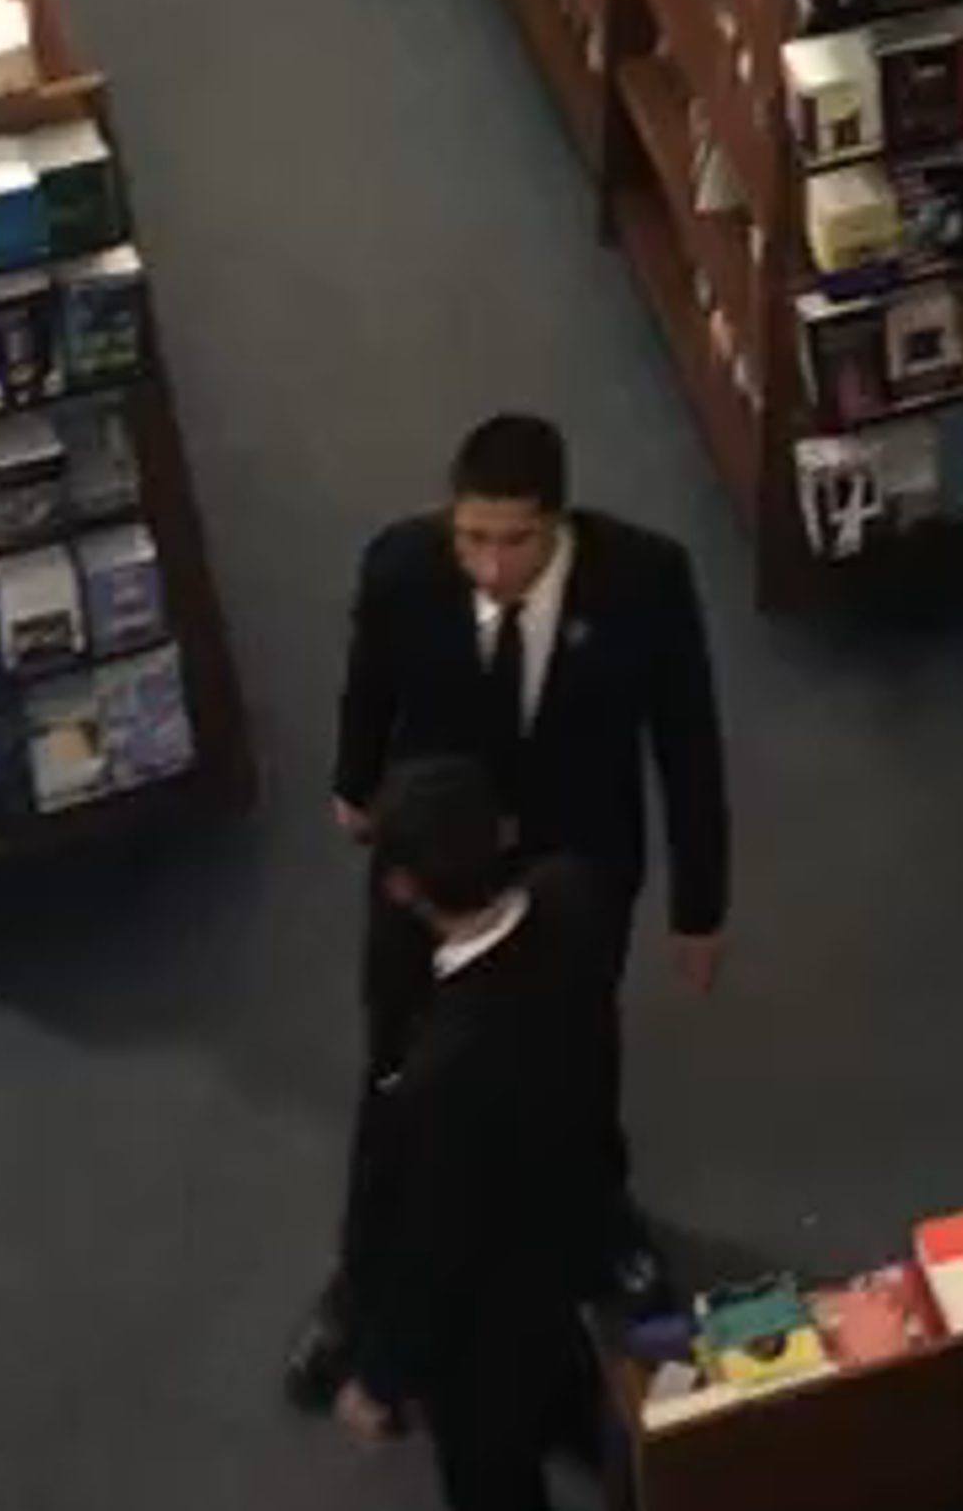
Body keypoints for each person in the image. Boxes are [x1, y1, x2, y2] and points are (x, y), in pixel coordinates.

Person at [289, 413, 726, 1405]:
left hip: (574, 862)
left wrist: (700, 903)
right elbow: (372, 679)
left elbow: (687, 744)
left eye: (513, 539)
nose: (488, 565)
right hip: (432, 858)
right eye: (472, 537)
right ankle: (363, 1283)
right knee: (397, 1072)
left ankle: (604, 1230)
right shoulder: (403, 566)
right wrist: (356, 780)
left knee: (575, 1055)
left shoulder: (644, 580)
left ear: (558, 521)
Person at [333, 764, 625, 1511]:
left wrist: (380, 1376)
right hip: (576, 1235)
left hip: (486, 1330)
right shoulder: (573, 902)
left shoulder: (439, 1074)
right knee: (600, 1418)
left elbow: (432, 1247)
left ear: (404, 887)